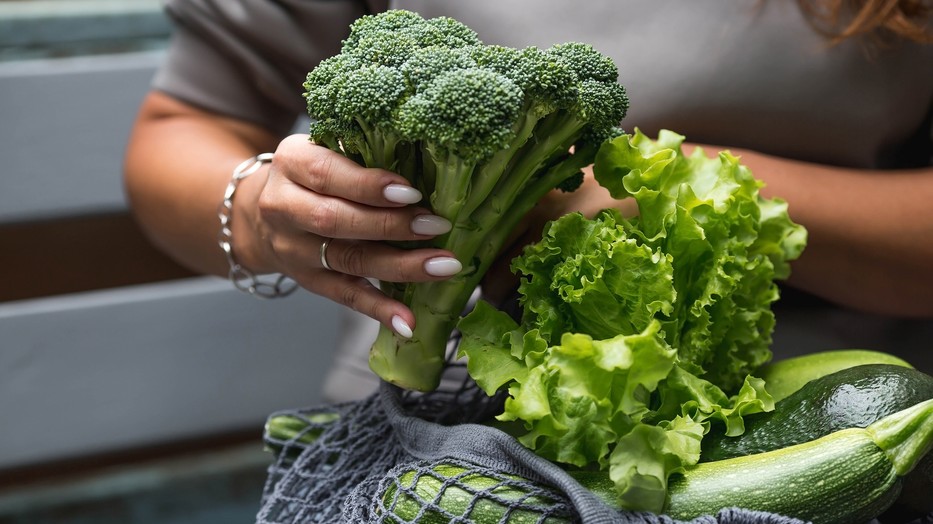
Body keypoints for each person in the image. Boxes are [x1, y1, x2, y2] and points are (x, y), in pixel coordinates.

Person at [124, 0, 933, 401]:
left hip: (821, 427)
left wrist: (660, 186)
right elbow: (180, 128)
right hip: (428, 425)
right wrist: (264, 214)